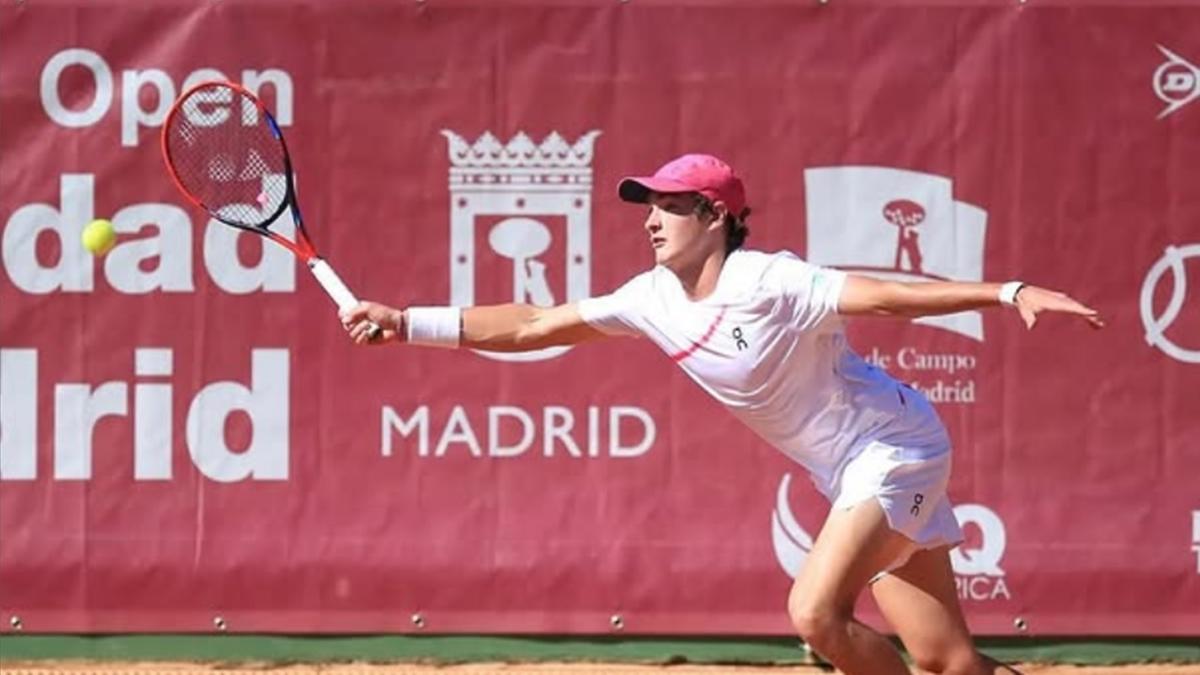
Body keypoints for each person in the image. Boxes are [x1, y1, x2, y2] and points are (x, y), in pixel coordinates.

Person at [340, 153, 1103, 675]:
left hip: (894, 447)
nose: (649, 219)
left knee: (814, 614)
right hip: (849, 468)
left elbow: (885, 294)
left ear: (713, 215)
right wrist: (406, 320)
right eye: (648, 206)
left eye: (668, 206)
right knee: (948, 661)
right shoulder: (647, 297)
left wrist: (1006, 291)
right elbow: (534, 324)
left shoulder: (768, 279)